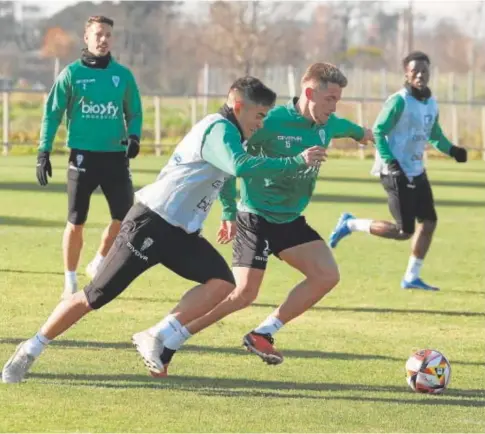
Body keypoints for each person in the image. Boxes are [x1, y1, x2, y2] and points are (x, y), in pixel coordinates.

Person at [2, 76, 327, 383]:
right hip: (150, 222)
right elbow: (239, 166)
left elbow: (226, 174)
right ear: (237, 104)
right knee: (93, 297)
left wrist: (228, 211)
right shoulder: (219, 129)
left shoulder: (234, 135)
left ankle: (155, 335)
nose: (261, 123)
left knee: (221, 283)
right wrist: (296, 161)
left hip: (180, 233)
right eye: (259, 114)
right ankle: (31, 347)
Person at [147, 62, 375, 374]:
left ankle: (263, 333)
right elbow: (228, 163)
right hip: (255, 216)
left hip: (290, 219)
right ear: (309, 92)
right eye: (330, 99)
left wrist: (372, 136)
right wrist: (228, 212)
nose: (334, 106)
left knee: (326, 275)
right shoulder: (271, 122)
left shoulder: (328, 124)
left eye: (338, 99)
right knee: (242, 293)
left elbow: (356, 130)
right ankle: (169, 340)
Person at [328, 51, 468, 291]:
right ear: (407, 73)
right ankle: (350, 224)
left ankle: (411, 277)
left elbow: (434, 135)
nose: (420, 75)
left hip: (416, 169)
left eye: (424, 71)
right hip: (394, 171)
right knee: (404, 231)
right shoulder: (399, 100)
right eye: (415, 71)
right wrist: (391, 162)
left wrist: (452, 150)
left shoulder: (431, 103)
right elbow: (379, 131)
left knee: (430, 222)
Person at [36, 15, 143, 299]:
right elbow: (52, 113)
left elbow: (135, 111)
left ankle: (98, 259)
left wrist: (134, 136)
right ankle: (69, 280)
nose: (103, 39)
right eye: (98, 34)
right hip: (82, 156)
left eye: (108, 34)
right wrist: (43, 151)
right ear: (87, 38)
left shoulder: (123, 75)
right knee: (76, 220)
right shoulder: (71, 74)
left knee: (125, 218)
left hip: (115, 157)